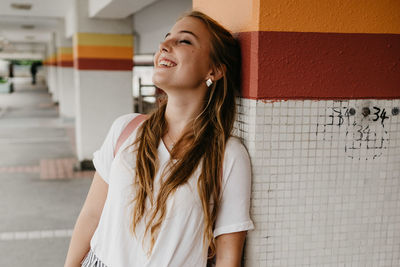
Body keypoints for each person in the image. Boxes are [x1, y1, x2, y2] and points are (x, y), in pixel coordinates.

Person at [64, 10, 254, 267]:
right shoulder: (126, 130)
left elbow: (227, 257)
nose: (164, 46)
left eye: (184, 41)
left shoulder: (227, 156)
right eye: (166, 39)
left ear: (215, 70)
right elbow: (91, 216)